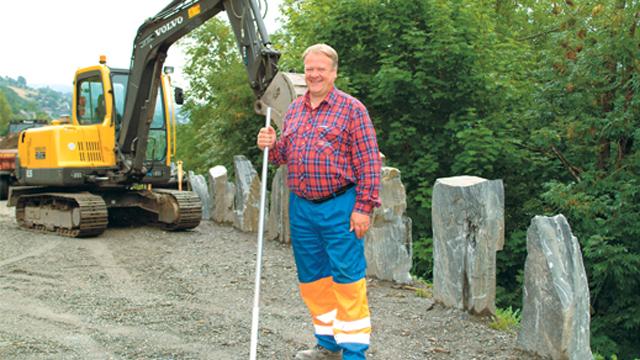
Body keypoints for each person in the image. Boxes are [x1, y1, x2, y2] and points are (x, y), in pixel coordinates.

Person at [257, 44, 381, 360]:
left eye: (320, 69)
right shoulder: (296, 110)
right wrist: (269, 144)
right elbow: (283, 155)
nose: (313, 74)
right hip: (302, 207)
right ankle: (327, 344)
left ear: (333, 73)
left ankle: (354, 353)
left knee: (348, 279)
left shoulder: (353, 110)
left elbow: (369, 163)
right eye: (309, 69)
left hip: (340, 206)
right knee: (313, 279)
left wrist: (363, 207)